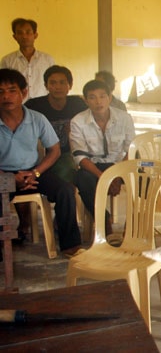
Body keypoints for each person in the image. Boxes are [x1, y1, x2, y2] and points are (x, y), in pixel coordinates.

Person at [0, 68, 82, 257]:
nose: (6, 96)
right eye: (0, 92)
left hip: (34, 172)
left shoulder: (37, 119)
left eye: (12, 90)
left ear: (24, 93)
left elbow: (54, 150)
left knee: (65, 190)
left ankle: (70, 245)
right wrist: (11, 177)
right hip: (3, 174)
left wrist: (36, 173)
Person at [70, 80, 135, 234]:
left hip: (121, 165)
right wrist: (104, 178)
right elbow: (80, 157)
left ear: (110, 98)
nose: (98, 101)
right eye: (92, 97)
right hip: (94, 167)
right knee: (82, 179)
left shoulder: (124, 118)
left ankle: (132, 225)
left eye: (102, 96)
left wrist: (117, 176)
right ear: (85, 100)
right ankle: (103, 220)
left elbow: (131, 150)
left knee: (145, 179)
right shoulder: (78, 122)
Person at [25, 65, 88, 183]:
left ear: (70, 85)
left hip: (67, 154)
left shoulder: (78, 104)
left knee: (68, 168)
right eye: (53, 83)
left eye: (62, 82)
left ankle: (69, 197)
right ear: (46, 86)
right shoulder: (34, 106)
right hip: (40, 155)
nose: (57, 87)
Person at [1, 18, 54, 100]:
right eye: (20, 33)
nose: (24, 36)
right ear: (15, 37)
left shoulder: (47, 59)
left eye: (28, 32)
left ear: (35, 35)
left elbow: (53, 83)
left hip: (42, 104)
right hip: (17, 105)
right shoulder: (7, 61)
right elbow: (3, 84)